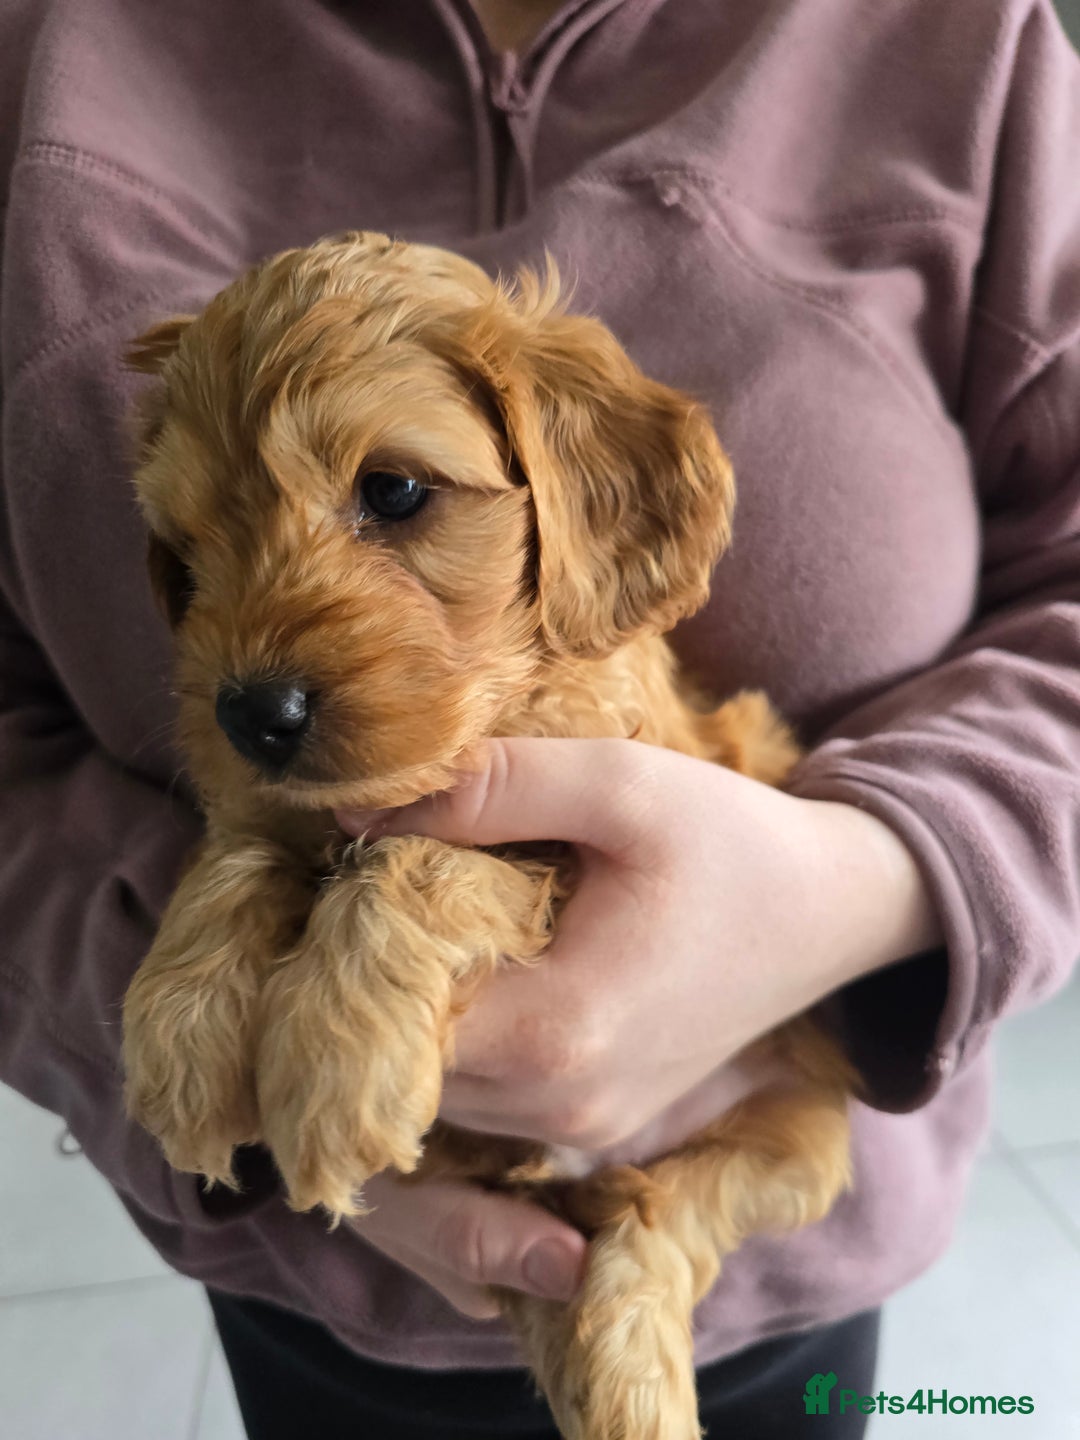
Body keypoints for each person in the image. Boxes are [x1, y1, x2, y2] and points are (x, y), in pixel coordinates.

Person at [1, 1, 1078, 1437]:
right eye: (198, 553)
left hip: (777, 1269)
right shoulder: (36, 49)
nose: (249, 644)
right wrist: (175, 981)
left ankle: (648, 1255)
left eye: (393, 496)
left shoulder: (972, 45)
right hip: (300, 1290)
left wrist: (867, 885)